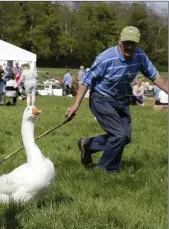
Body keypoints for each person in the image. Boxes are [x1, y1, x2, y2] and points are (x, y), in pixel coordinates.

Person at [66, 26, 169, 174]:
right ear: (119, 41)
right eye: (126, 42)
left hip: (121, 99)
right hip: (101, 98)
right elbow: (86, 81)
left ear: (137, 43)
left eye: (133, 43)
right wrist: (75, 105)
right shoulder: (106, 58)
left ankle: (88, 145)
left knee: (125, 137)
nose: (129, 46)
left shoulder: (140, 56)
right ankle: (106, 170)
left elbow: (155, 76)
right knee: (119, 134)